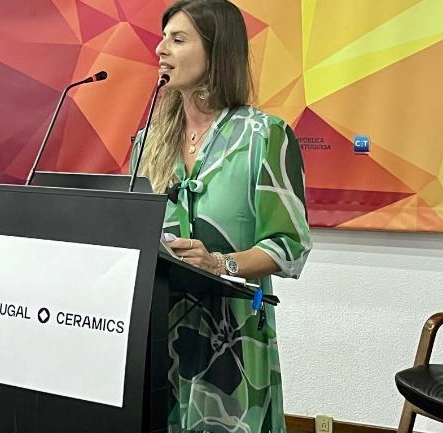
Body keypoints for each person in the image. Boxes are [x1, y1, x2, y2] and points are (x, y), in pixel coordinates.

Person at [131, 1, 312, 432]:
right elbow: (131, 225)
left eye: (178, 39)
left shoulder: (264, 136)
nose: (160, 49)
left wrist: (219, 263)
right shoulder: (147, 140)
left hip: (232, 339)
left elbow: (289, 246)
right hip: (157, 330)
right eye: (162, 38)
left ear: (216, 52)